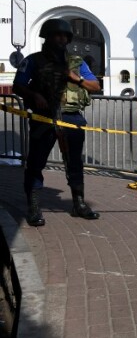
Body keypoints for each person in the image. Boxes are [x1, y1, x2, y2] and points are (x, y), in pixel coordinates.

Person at [12, 19, 102, 227]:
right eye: (57, 35)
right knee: (36, 162)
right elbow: (18, 86)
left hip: (71, 117)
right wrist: (34, 95)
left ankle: (79, 203)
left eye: (64, 36)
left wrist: (75, 78)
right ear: (48, 37)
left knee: (74, 162)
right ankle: (34, 207)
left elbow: (95, 86)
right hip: (44, 117)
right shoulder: (33, 61)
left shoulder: (77, 62)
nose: (61, 39)